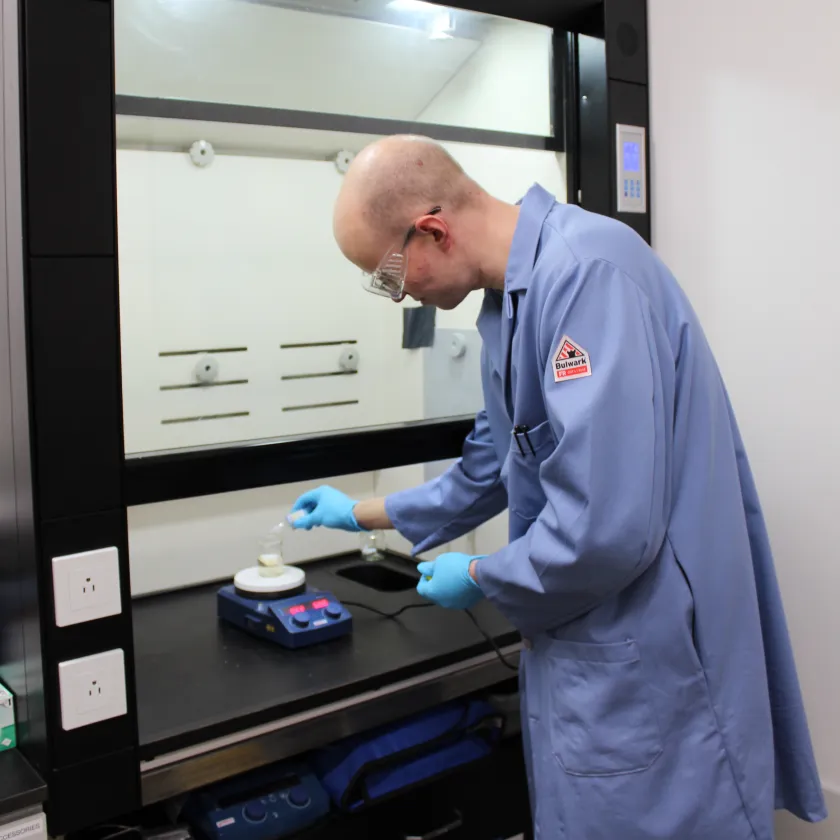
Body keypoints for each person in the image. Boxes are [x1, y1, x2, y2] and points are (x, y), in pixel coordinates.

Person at [289, 135, 826, 839]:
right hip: (592, 649)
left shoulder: (585, 276)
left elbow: (607, 528)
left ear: (432, 230)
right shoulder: (506, 306)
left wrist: (481, 573)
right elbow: (491, 465)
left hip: (651, 648)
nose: (399, 298)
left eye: (388, 277)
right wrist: (357, 514)